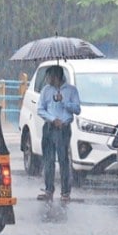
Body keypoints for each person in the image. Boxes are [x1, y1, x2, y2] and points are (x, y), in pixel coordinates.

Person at [36, 65, 81, 202]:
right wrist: (52, 119)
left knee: (63, 160)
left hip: (63, 129)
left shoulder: (71, 91)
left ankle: (65, 192)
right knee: (48, 160)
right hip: (49, 127)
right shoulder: (46, 90)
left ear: (57, 77)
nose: (47, 79)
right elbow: (40, 109)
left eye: (49, 76)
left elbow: (77, 109)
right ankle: (49, 189)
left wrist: (64, 101)